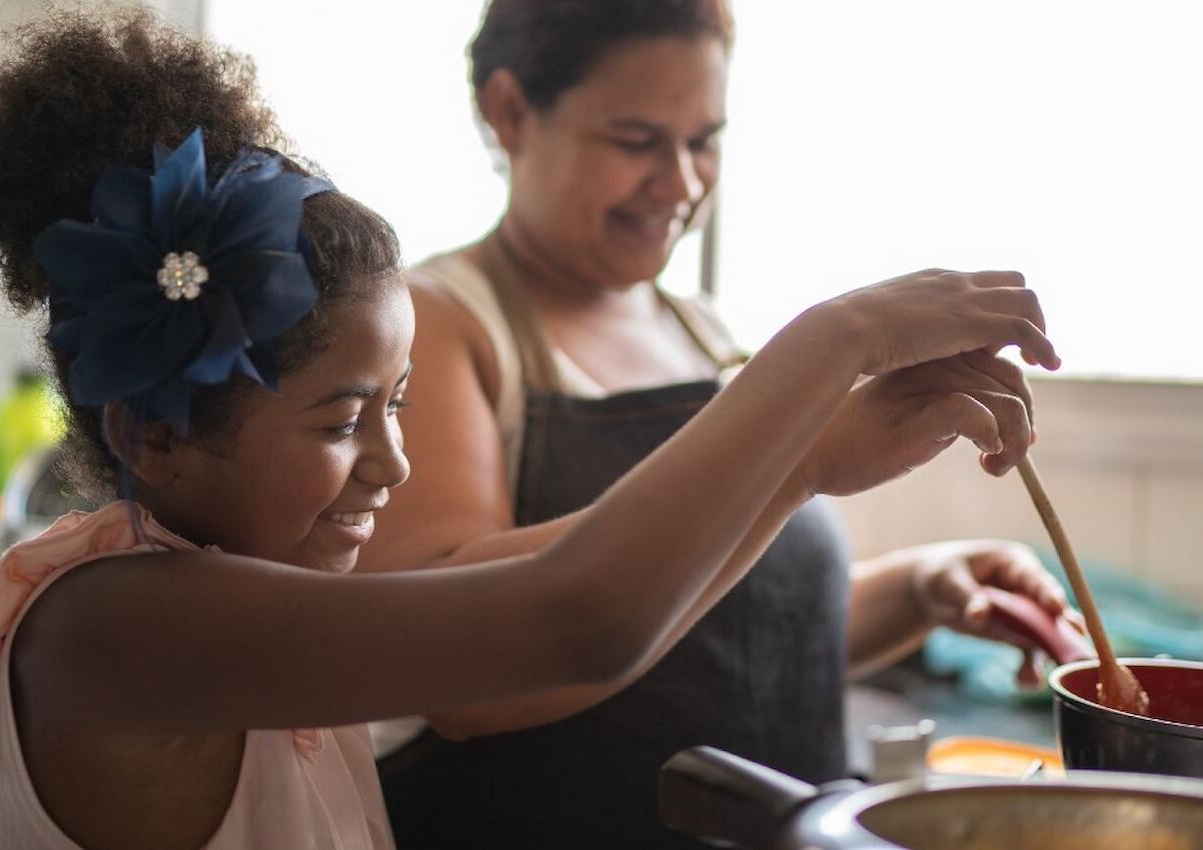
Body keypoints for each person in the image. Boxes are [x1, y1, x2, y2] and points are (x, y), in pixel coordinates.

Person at [0, 8, 1060, 850]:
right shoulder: (120, 626)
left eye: (396, 403)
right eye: (343, 418)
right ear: (152, 437)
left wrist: (818, 467)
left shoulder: (250, 594)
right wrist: (836, 344)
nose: (392, 458)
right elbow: (574, 618)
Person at [359, 1, 1074, 847]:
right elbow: (465, 677)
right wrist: (800, 447)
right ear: (510, 111)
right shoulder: (443, 326)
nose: (683, 183)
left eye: (703, 142)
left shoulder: (701, 331)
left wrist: (918, 589)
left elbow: (723, 636)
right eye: (636, 142)